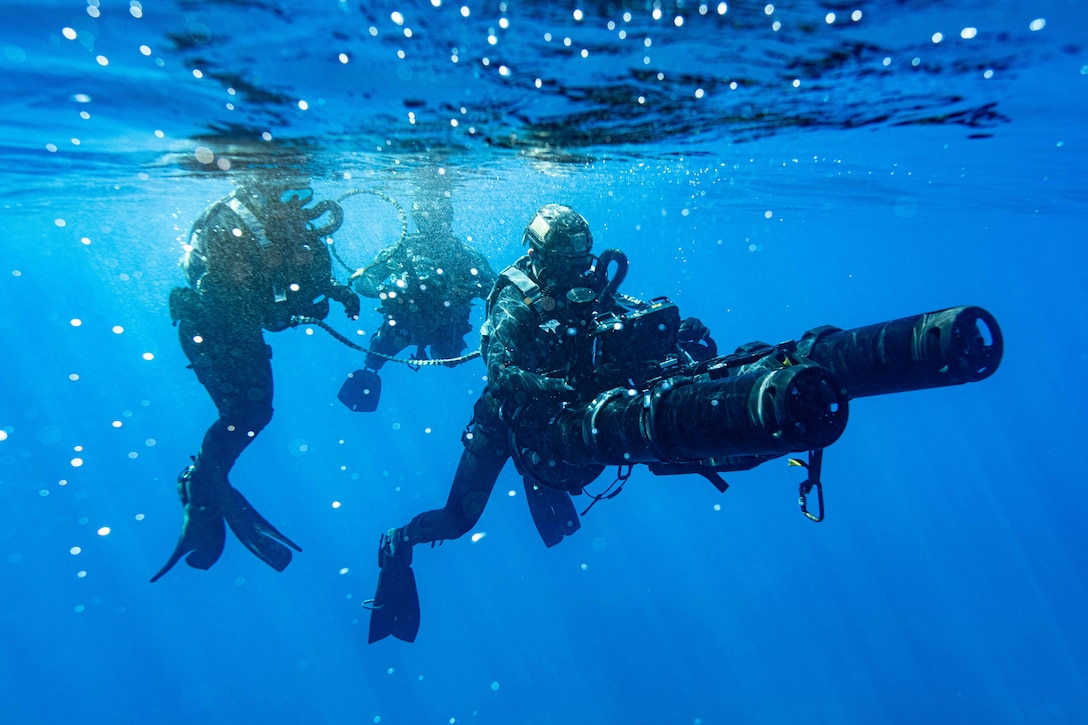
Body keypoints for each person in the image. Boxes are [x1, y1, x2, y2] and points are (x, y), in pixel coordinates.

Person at [366, 203, 715, 643]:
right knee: (458, 520)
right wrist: (566, 386)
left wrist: (672, 331)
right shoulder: (515, 295)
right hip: (504, 420)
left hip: (558, 415)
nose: (575, 272)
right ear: (537, 254)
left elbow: (623, 311)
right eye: (563, 262)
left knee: (578, 470)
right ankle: (397, 542)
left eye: (581, 261)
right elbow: (503, 374)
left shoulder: (586, 279)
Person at [152, 176, 361, 583]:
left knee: (254, 413)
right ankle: (203, 482)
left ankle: (208, 481)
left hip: (237, 334)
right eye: (281, 197)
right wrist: (282, 308)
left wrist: (333, 292)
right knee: (244, 413)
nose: (293, 205)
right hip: (209, 333)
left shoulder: (282, 230)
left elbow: (289, 291)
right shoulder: (228, 223)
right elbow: (229, 296)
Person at [350, 179, 496, 373]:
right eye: (425, 215)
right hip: (403, 324)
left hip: (445, 327)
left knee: (448, 359)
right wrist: (386, 291)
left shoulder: (464, 255)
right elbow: (362, 281)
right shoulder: (401, 250)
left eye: (436, 215)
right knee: (374, 358)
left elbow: (495, 290)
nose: (431, 221)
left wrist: (470, 290)